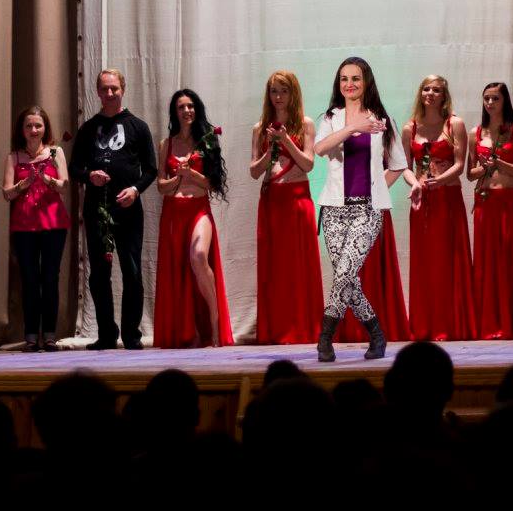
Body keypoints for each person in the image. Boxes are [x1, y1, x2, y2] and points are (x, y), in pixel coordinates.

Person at [313, 57, 408, 362]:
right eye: (344, 79)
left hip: (367, 212)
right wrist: (353, 126)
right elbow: (320, 148)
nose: (349, 84)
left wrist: (378, 188)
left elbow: (398, 164)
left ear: (366, 82)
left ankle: (325, 337)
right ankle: (377, 333)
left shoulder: (382, 120)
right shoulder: (331, 118)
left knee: (344, 273)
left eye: (355, 78)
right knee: (348, 279)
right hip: (334, 209)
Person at [69, 69, 157, 350]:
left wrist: (135, 190)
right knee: (99, 274)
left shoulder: (138, 127)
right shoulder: (87, 129)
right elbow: (74, 168)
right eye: (104, 89)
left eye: (114, 89)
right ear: (97, 91)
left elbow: (151, 170)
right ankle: (106, 334)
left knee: (132, 271)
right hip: (97, 211)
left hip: (128, 211)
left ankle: (131, 334)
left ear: (123, 89)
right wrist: (89, 176)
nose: (109, 94)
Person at [154, 89, 233, 348]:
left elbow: (213, 184)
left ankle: (214, 322)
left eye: (190, 106)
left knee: (198, 256)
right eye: (181, 107)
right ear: (174, 112)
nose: (187, 111)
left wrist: (191, 174)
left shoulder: (207, 141)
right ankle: (191, 332)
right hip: (173, 211)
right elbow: (161, 186)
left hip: (199, 208)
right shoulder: (166, 144)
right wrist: (178, 177)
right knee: (179, 272)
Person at [249, 71, 322, 345]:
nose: (278, 97)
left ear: (293, 93)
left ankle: (303, 328)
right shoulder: (260, 128)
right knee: (275, 269)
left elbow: (308, 164)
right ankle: (276, 329)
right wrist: (270, 151)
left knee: (299, 267)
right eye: (274, 91)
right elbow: (254, 171)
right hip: (272, 201)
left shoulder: (305, 124)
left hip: (297, 199)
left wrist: (286, 140)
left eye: (284, 91)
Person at [402, 75, 476, 342]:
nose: (430, 93)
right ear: (420, 93)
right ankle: (424, 326)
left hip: (447, 197)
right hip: (422, 201)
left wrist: (439, 181)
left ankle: (449, 325)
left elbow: (459, 164)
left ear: (444, 95)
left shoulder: (454, 123)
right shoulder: (410, 127)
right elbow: (405, 168)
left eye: (436, 90)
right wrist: (416, 184)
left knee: (448, 261)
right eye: (426, 89)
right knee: (425, 264)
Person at [466, 82, 513, 340]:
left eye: (495, 98)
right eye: (486, 98)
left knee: (508, 260)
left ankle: (512, 322)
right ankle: (489, 324)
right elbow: (470, 174)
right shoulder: (475, 133)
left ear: (504, 100)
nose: (490, 103)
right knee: (487, 262)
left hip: (508, 199)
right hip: (485, 200)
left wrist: (498, 162)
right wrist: (485, 168)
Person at [3, 105, 70, 352]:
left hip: (53, 223)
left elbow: (65, 186)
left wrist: (48, 180)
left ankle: (49, 335)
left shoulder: (55, 152)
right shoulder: (14, 157)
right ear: (22, 130)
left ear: (45, 128)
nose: (34, 130)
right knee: (30, 280)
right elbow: (6, 193)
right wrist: (24, 184)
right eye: (29, 126)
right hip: (24, 225)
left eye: (38, 126)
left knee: (50, 278)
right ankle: (31, 336)